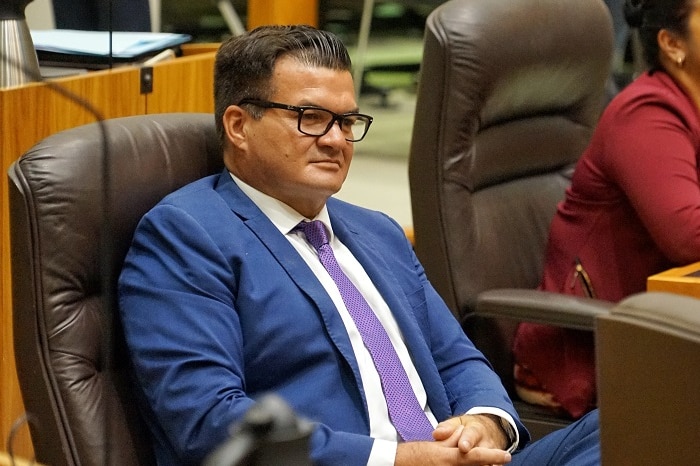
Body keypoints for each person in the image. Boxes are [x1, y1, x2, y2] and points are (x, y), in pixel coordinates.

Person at [118, 24, 600, 466]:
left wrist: (485, 424)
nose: (335, 139)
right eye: (311, 117)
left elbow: (456, 357)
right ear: (239, 125)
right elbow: (209, 421)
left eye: (347, 122)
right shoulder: (186, 235)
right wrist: (399, 460)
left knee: (639, 421)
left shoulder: (379, 231)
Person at [513, 0, 700, 421]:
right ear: (672, 43)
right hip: (583, 353)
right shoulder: (647, 113)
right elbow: (687, 234)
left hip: (658, 327)